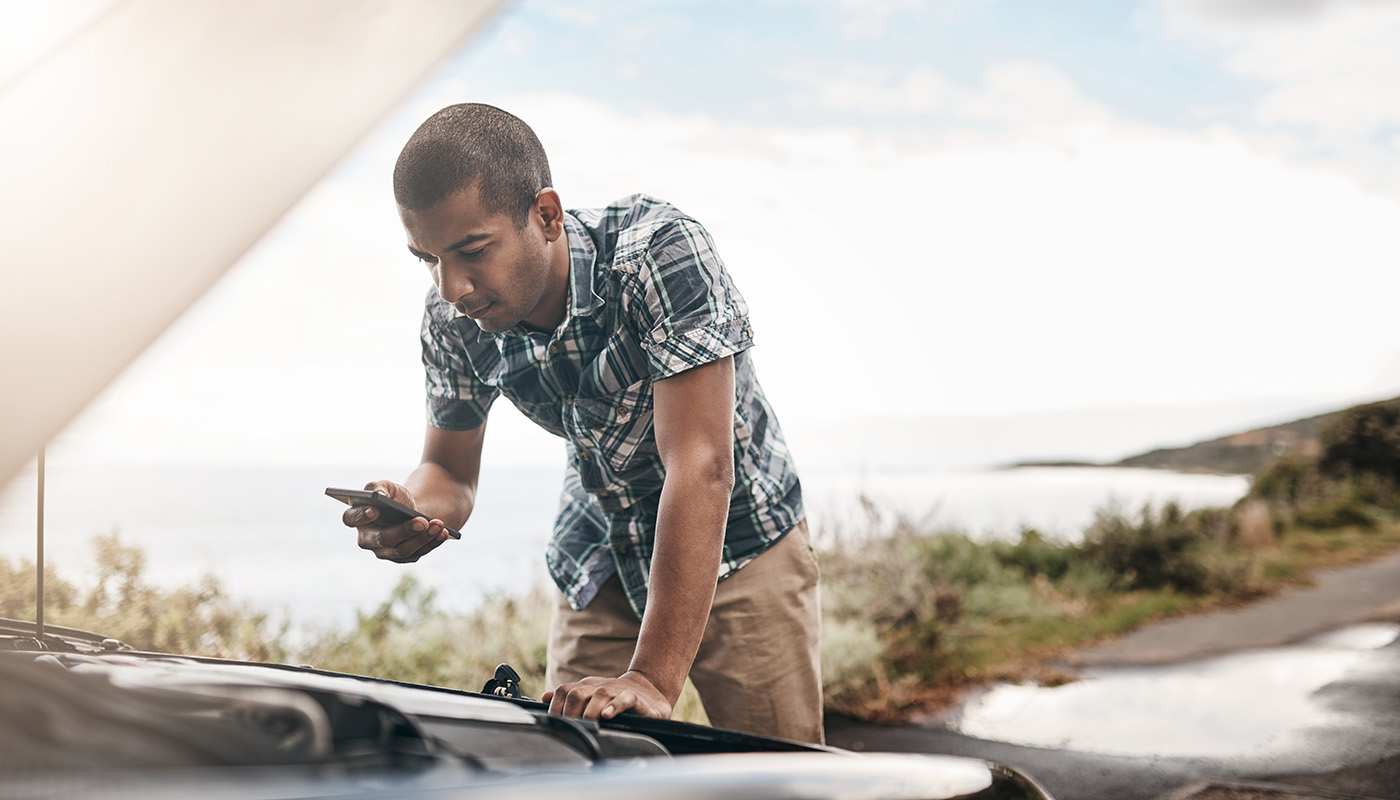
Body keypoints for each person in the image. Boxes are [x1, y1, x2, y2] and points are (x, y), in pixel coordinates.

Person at [341, 103, 822, 744]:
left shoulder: (659, 253)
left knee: (786, 777)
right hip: (599, 552)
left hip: (742, 540)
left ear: (546, 215)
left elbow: (701, 466)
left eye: (471, 251)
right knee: (572, 766)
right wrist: (414, 509)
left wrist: (650, 678)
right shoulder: (452, 316)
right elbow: (450, 474)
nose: (451, 285)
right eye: (426, 258)